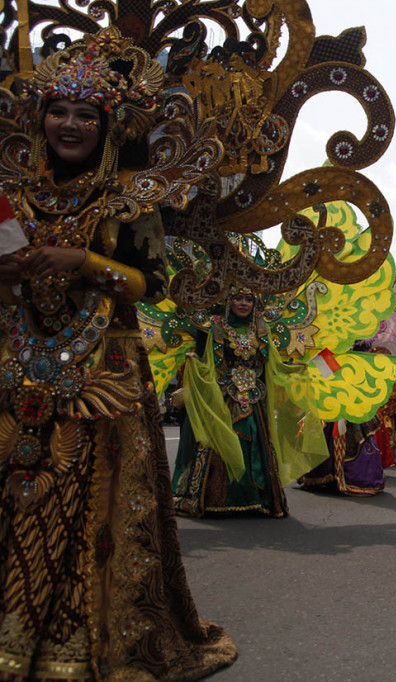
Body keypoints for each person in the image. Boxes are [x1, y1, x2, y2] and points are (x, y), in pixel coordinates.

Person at [0, 29, 236, 678]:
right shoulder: (15, 196)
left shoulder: (127, 201)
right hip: (19, 367)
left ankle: (86, 641)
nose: (69, 124)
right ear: (38, 118)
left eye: (86, 114)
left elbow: (151, 285)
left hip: (103, 371)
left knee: (93, 508)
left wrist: (83, 261)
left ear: (107, 127)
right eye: (58, 110)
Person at [173, 288, 328, 516]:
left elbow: (272, 363)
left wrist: (292, 368)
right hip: (224, 396)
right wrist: (196, 361)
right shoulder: (215, 327)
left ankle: (257, 500)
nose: (243, 303)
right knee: (224, 441)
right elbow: (210, 365)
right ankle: (217, 500)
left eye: (248, 299)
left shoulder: (261, 328)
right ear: (228, 302)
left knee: (254, 440)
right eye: (238, 299)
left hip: (254, 398)